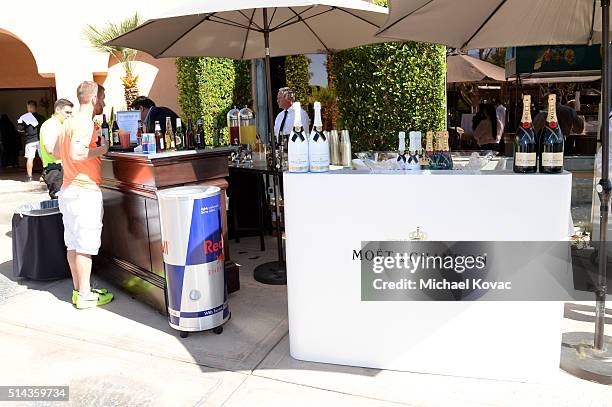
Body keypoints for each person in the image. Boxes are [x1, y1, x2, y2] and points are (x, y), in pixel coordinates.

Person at [54, 81, 113, 309]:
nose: (104, 104)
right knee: (86, 245)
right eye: (103, 99)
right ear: (94, 99)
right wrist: (102, 149)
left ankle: (80, 291)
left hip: (69, 189)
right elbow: (77, 153)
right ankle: (86, 295)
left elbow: (56, 152)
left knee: (73, 244)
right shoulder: (84, 123)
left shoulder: (68, 123)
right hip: (84, 191)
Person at [39, 99, 73, 198]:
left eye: (71, 113)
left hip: (62, 168)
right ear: (58, 109)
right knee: (59, 203)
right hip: (55, 169)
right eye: (67, 112)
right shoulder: (50, 125)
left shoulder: (60, 125)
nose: (69, 115)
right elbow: (50, 149)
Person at [17, 100, 46, 182]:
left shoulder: (23, 117)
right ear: (35, 107)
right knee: (43, 158)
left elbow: (19, 129)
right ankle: (45, 175)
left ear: (29, 107)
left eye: (28, 107)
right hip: (40, 140)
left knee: (30, 158)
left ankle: (29, 177)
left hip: (30, 140)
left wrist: (26, 130)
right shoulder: (42, 118)